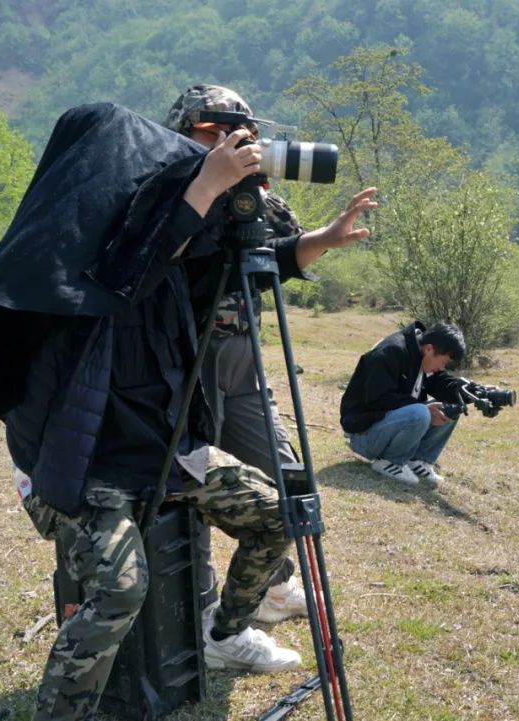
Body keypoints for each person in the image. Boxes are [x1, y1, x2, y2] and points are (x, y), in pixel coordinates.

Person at [0, 101, 314, 720]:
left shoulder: (160, 260)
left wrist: (317, 236)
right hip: (83, 469)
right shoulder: (63, 272)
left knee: (277, 516)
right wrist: (205, 181)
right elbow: (126, 273)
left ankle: (224, 634)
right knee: (119, 588)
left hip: (161, 450)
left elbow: (225, 270)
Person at [164, 84, 378, 626]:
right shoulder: (168, 199)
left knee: (284, 478)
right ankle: (201, 610)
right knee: (191, 487)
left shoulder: (254, 202)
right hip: (185, 360)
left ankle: (272, 587)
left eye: (242, 135)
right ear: (178, 134)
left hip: (242, 358)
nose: (231, 145)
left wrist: (325, 237)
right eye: (211, 134)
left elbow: (277, 258)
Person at [340, 321, 467, 486]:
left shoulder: (420, 353)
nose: (443, 367)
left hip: (385, 429)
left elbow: (444, 385)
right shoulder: (390, 352)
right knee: (420, 412)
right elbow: (378, 398)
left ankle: (417, 460)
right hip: (364, 435)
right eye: (444, 362)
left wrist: (473, 390)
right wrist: (425, 410)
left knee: (452, 406)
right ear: (429, 349)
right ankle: (390, 462)